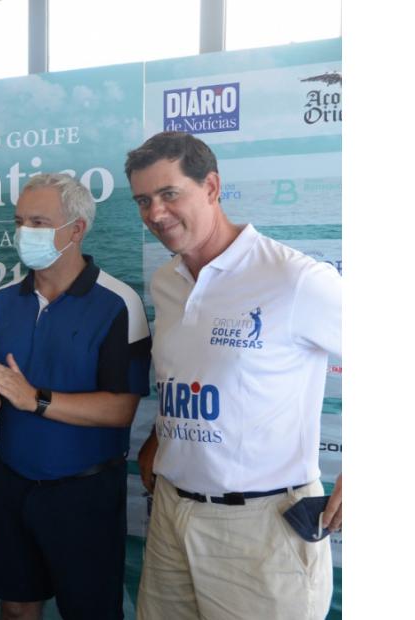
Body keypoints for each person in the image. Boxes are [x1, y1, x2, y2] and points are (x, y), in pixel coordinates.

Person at [126, 131, 342, 619]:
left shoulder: (293, 278)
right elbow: (192, 373)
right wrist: (165, 436)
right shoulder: (166, 281)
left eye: (169, 194)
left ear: (212, 187)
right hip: (170, 515)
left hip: (263, 529)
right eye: (143, 200)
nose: (155, 213)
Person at [0, 173, 152, 620]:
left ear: (76, 229)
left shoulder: (118, 302)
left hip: (84, 492)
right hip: (13, 483)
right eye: (20, 221)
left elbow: (122, 408)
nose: (24, 232)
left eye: (39, 221)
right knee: (15, 608)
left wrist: (37, 400)